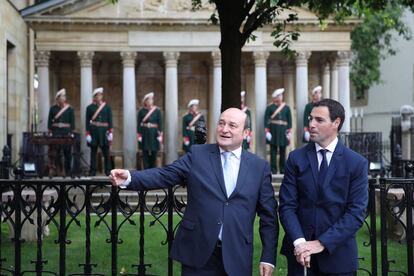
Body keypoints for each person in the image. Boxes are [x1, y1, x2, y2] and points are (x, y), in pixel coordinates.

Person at [110, 108, 278, 276]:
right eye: (221, 123)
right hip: (199, 253)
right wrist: (129, 178)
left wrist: (268, 257)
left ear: (246, 133)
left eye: (232, 125)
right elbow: (164, 175)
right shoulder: (198, 155)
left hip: (237, 254)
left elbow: (269, 217)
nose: (224, 129)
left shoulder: (259, 167)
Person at [279, 99, 368, 275]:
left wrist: (320, 244)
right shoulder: (296, 158)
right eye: (310, 119)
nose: (311, 124)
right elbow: (287, 206)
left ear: (336, 123)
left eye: (319, 120)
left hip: (338, 257)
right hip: (300, 257)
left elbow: (356, 213)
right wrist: (300, 243)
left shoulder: (356, 163)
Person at [47, 88, 75, 177]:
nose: (63, 98)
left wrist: (72, 132)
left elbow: (72, 122)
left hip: (66, 133)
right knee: (57, 153)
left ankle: (68, 171)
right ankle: (58, 170)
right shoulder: (53, 109)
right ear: (57, 98)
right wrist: (50, 131)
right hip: (56, 132)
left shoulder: (69, 109)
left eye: (64, 96)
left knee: (68, 153)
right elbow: (49, 122)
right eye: (61, 97)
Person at [86, 87, 113, 176]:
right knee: (93, 153)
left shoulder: (107, 107)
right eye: (97, 95)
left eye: (100, 95)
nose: (99, 97)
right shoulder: (89, 108)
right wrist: (88, 134)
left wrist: (110, 132)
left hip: (104, 132)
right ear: (94, 97)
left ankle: (108, 170)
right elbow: (87, 121)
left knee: (106, 153)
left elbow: (110, 121)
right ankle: (93, 171)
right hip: (93, 132)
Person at [264, 88, 292, 174]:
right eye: (279, 95)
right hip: (273, 131)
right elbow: (266, 120)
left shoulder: (286, 108)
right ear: (275, 97)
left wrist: (289, 132)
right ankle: (273, 169)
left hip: (283, 131)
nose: (281, 97)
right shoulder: (270, 107)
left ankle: (283, 169)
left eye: (281, 95)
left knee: (283, 151)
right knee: (273, 151)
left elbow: (289, 121)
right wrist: (267, 131)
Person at [137, 92, 163, 169]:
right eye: (148, 100)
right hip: (145, 133)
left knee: (154, 153)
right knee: (145, 153)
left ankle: (153, 170)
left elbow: (160, 123)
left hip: (154, 134)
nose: (150, 101)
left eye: (151, 99)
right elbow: (139, 124)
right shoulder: (141, 111)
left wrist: (160, 134)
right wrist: (139, 135)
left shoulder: (157, 111)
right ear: (145, 102)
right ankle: (145, 170)